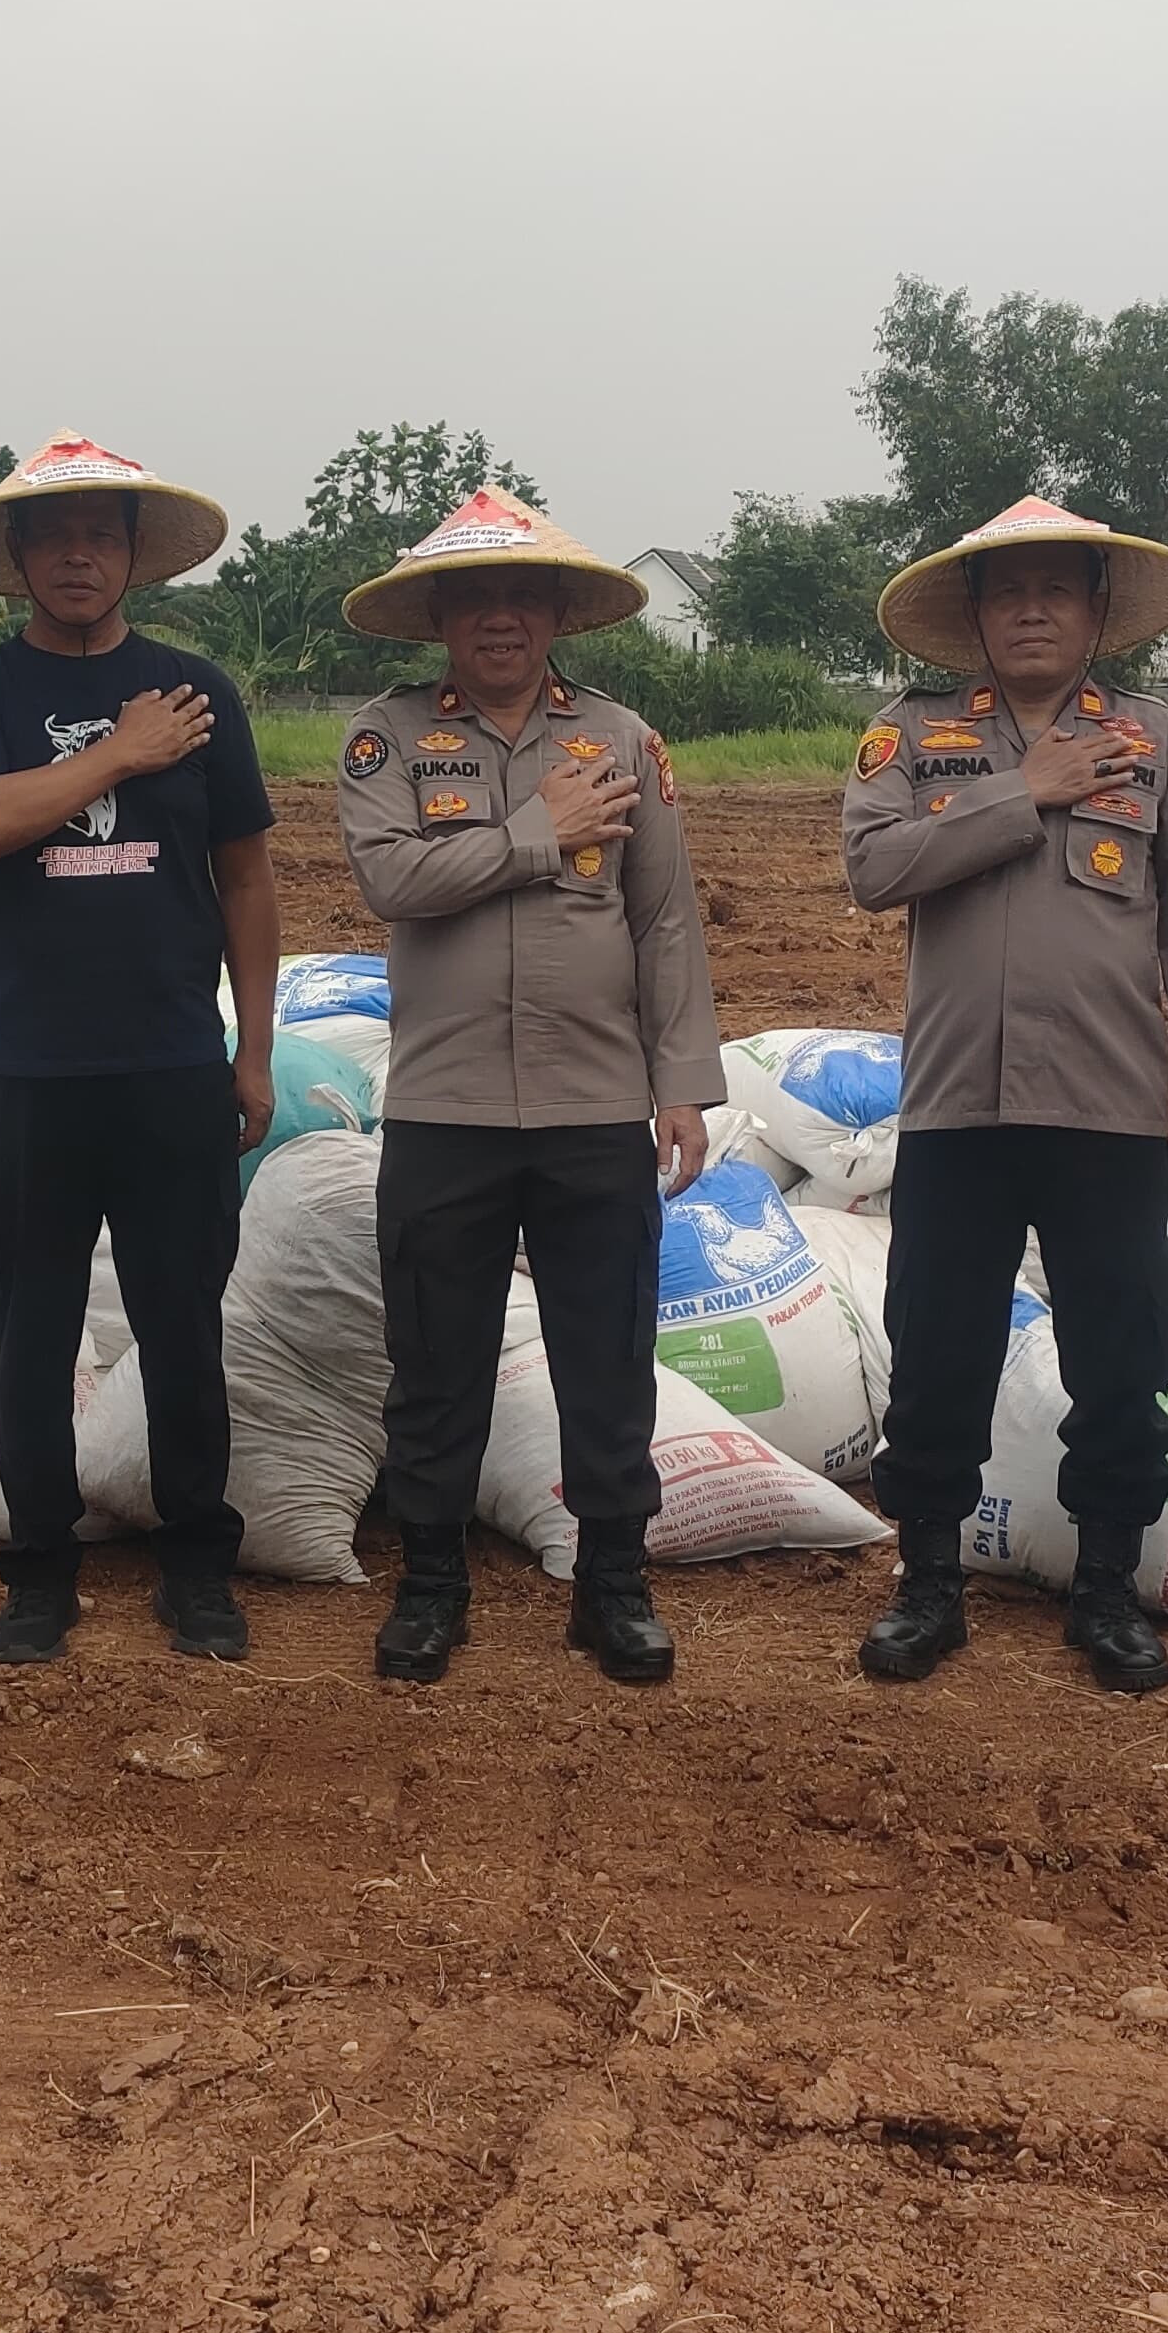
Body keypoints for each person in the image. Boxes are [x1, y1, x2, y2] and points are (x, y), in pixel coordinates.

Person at [843, 499, 1168, 1695]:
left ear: (1094, 612)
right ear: (976, 614)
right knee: (936, 1348)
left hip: (1106, 1106)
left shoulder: (1155, 739)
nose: (1031, 611)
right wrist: (1018, 790)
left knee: (1122, 1351)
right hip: (956, 1108)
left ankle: (1106, 1588)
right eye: (1007, 591)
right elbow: (872, 868)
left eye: (1056, 590)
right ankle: (928, 1581)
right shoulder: (911, 733)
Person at [336, 490, 724, 1686]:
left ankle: (613, 1584)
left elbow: (662, 921)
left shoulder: (620, 738)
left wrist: (681, 1084)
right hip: (443, 1108)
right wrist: (536, 828)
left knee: (605, 1359)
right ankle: (430, 1585)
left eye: (522, 598)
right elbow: (393, 882)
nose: (499, 619)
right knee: (434, 1359)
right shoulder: (387, 739)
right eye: (474, 600)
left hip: (594, 1105)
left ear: (557, 614)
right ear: (438, 618)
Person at [0, 435, 280, 1666]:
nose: (79, 558)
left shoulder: (197, 691)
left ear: (132, 557)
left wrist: (253, 1051)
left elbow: (245, 878)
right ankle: (39, 1569)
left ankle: (197, 1564)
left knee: (183, 1327)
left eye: (102, 537)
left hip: (170, 1063)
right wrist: (117, 754)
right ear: (18, 557)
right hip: (28, 1067)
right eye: (56, 537)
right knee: (30, 1331)